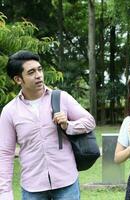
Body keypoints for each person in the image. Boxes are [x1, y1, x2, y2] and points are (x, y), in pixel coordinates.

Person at [0, 50, 96, 200]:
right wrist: (5, 192)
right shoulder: (9, 112)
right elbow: (5, 154)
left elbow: (90, 122)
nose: (38, 75)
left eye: (39, 69)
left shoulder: (61, 98)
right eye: (31, 72)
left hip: (66, 182)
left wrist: (68, 125)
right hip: (33, 186)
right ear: (18, 79)